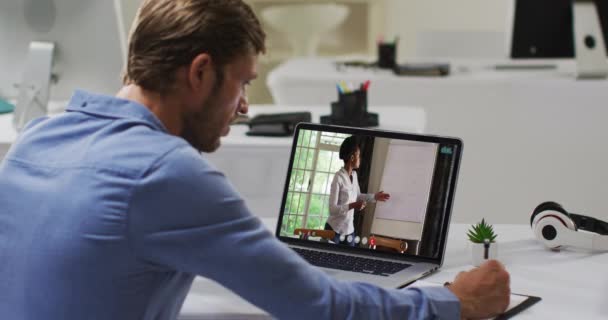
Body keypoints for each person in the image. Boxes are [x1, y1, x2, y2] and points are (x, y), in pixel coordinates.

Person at [0, 0, 510, 319]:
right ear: (200, 73)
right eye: (242, 82)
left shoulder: (37, 138)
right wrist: (453, 302)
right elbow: (319, 307)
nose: (244, 106)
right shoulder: (166, 173)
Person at [326, 136, 390, 246]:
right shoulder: (338, 177)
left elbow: (358, 196)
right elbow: (332, 209)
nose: (360, 159)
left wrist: (375, 197)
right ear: (352, 158)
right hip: (334, 230)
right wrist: (353, 205)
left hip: (349, 230)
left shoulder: (354, 175)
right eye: (358, 156)